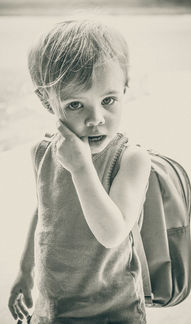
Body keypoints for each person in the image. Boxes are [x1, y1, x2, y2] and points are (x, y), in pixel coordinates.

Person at [8, 19, 151, 324]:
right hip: (52, 309)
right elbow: (45, 212)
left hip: (112, 312)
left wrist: (81, 168)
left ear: (125, 89)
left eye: (109, 100)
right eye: (75, 105)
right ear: (48, 102)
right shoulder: (43, 152)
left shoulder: (131, 159)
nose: (96, 118)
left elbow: (112, 233)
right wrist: (24, 271)